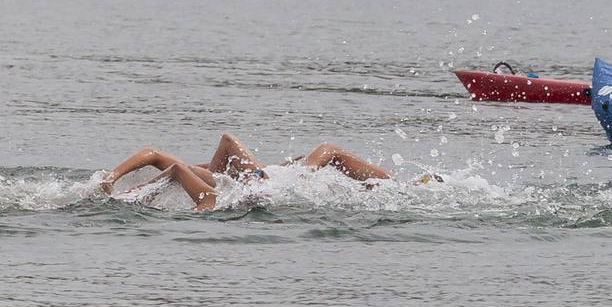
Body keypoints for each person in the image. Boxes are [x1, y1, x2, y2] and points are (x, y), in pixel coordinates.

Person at [100, 135, 401, 212]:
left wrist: (113, 180)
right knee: (327, 151)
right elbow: (167, 162)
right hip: (263, 187)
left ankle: (306, 171)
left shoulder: (211, 177)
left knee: (326, 152)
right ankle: (395, 186)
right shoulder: (212, 182)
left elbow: (160, 158)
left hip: (265, 184)